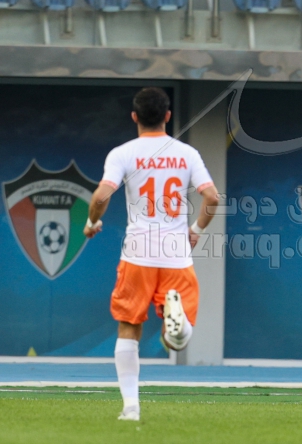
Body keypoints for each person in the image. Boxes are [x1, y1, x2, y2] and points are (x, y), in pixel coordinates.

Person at [84, 87, 219, 421]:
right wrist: (196, 231)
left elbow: (101, 196)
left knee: (129, 327)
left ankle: (131, 406)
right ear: (168, 116)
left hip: (137, 253)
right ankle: (177, 325)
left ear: (134, 116)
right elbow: (212, 197)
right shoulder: (187, 153)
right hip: (176, 253)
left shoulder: (123, 153)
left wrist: (91, 222)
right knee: (175, 341)